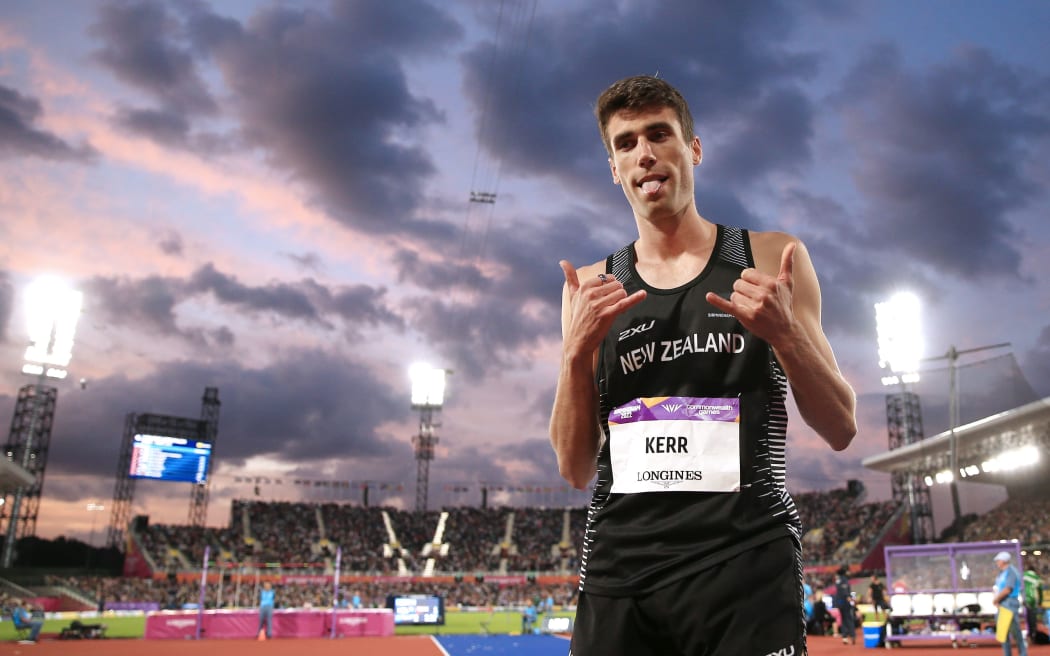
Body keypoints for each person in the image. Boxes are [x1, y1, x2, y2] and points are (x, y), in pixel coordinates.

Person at [549, 74, 857, 656]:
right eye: (625, 143)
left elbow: (840, 426)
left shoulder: (768, 258)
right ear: (614, 169)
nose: (644, 153)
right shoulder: (590, 287)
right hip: (622, 573)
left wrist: (786, 336)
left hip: (744, 563)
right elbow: (573, 467)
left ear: (692, 149)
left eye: (659, 134)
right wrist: (574, 355)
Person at [993, 551, 1027, 656]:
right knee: (1004, 633)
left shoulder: (1011, 572)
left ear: (1004, 561)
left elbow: (1008, 589)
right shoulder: (1002, 573)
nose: (997, 562)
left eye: (998, 560)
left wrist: (996, 599)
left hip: (1009, 605)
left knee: (1016, 632)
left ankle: (1023, 653)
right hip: (1003, 605)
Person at [834, 566, 856, 644]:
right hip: (845, 602)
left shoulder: (838, 580)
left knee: (843, 619)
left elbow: (842, 591)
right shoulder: (844, 580)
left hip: (840, 602)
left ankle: (845, 637)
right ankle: (852, 635)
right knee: (848, 618)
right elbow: (845, 591)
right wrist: (849, 598)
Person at [1022, 565, 1043, 645]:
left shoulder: (1023, 575)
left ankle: (1025, 636)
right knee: (1032, 619)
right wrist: (1040, 602)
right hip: (1032, 600)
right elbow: (1040, 591)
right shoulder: (1037, 578)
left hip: (1022, 598)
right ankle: (1032, 635)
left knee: (1025, 617)